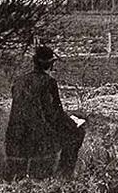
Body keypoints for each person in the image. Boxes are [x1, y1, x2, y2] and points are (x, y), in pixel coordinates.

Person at [5, 45, 85, 180]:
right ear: (50, 64)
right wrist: (73, 123)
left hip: (14, 135)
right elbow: (54, 113)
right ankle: (64, 177)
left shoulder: (18, 81)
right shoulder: (49, 82)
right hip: (38, 137)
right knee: (77, 134)